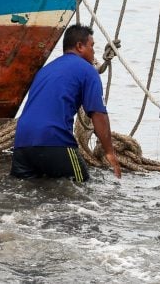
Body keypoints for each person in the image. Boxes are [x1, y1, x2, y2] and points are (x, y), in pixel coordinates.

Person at [11, 24, 122, 181]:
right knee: (82, 185)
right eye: (92, 46)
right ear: (79, 46)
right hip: (54, 140)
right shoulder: (88, 70)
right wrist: (109, 152)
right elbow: (98, 114)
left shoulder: (46, 70)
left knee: (29, 190)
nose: (94, 51)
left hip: (22, 143)